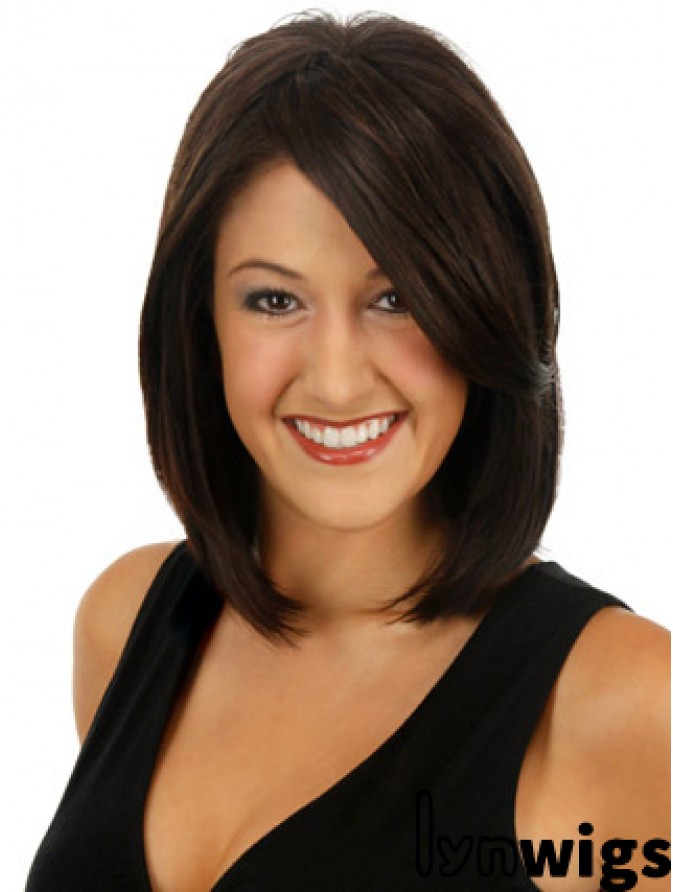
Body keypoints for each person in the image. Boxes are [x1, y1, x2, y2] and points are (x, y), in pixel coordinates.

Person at [26, 11, 669, 892]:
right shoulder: (127, 622)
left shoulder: (626, 707)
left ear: (486, 310)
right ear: (200, 323)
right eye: (273, 301)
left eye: (395, 299)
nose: (334, 382)